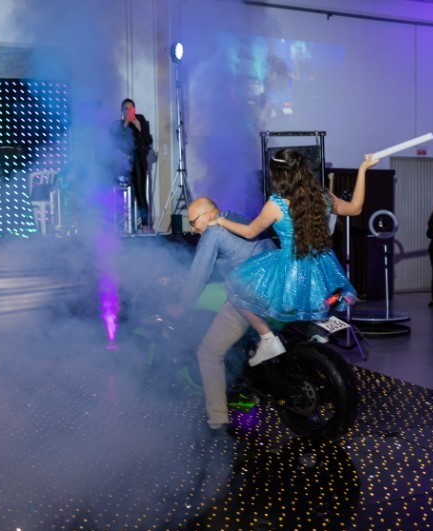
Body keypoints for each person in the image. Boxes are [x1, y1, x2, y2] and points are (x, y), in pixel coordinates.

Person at [209, 149, 379, 366]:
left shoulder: (276, 204)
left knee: (234, 287)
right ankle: (315, 330)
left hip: (291, 269)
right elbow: (355, 209)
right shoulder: (322, 197)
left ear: (278, 175)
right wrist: (363, 169)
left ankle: (268, 339)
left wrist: (220, 221)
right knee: (308, 304)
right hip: (322, 268)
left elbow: (250, 232)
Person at [166, 196, 276, 431]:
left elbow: (199, 275)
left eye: (193, 222)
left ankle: (217, 418)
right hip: (279, 282)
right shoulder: (235, 218)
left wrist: (182, 304)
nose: (193, 229)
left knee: (208, 351)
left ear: (207, 215)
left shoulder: (212, 232)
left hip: (253, 292)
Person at [116, 98, 153, 230]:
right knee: (122, 194)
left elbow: (148, 141)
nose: (128, 111)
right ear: (122, 110)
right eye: (126, 109)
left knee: (140, 193)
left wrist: (139, 127)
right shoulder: (117, 125)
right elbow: (114, 143)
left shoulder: (140, 120)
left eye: (131, 109)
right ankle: (123, 225)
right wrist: (125, 125)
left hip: (137, 161)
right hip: (122, 164)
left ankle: (145, 224)